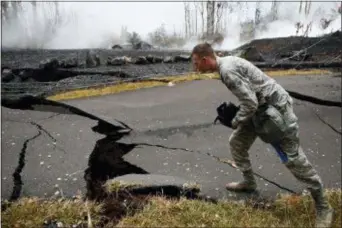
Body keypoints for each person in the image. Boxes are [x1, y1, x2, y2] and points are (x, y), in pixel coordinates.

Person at [191, 43, 334, 228]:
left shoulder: (227, 71)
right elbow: (250, 99)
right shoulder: (225, 63)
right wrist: (242, 115)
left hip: (276, 112)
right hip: (259, 111)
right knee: (237, 143)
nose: (195, 68)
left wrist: (235, 120)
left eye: (196, 63)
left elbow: (249, 103)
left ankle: (324, 207)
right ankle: (249, 183)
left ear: (204, 60)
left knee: (294, 159)